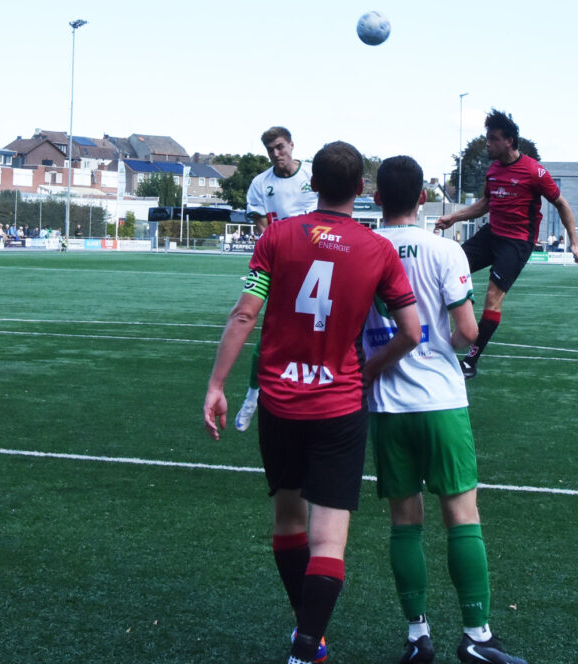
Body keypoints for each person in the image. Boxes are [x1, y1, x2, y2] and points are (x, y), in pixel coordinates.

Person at [202, 141, 421, 664]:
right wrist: (367, 369)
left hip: (280, 403)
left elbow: (244, 315)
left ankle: (309, 633)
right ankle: (306, 643)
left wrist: (216, 385)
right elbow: (412, 332)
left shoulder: (277, 236)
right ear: (361, 189)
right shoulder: (378, 250)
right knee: (328, 541)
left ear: (313, 185)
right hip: (339, 406)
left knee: (288, 523)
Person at [366, 156, 527, 664]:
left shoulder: (364, 249)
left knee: (404, 522)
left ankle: (418, 635)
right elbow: (468, 332)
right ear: (422, 199)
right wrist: (445, 346)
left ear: (377, 199)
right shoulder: (445, 250)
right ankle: (476, 636)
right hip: (441, 400)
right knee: (461, 516)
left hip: (386, 403)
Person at [435, 109, 578, 378]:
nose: (488, 144)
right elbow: (486, 204)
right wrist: (454, 217)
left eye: (493, 139)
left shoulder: (534, 171)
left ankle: (470, 362)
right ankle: (438, 336)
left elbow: (562, 204)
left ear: (509, 141)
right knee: (450, 267)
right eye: (487, 138)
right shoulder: (493, 170)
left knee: (493, 297)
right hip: (492, 234)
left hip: (517, 242)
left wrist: (574, 242)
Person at [235, 127, 320, 432]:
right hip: (279, 261)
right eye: (270, 149)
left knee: (316, 329)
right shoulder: (260, 183)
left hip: (315, 263)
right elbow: (262, 226)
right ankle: (252, 396)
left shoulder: (313, 177)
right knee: (271, 330)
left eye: (280, 147)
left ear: (292, 145)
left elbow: (324, 218)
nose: (276, 153)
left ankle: (313, 396)